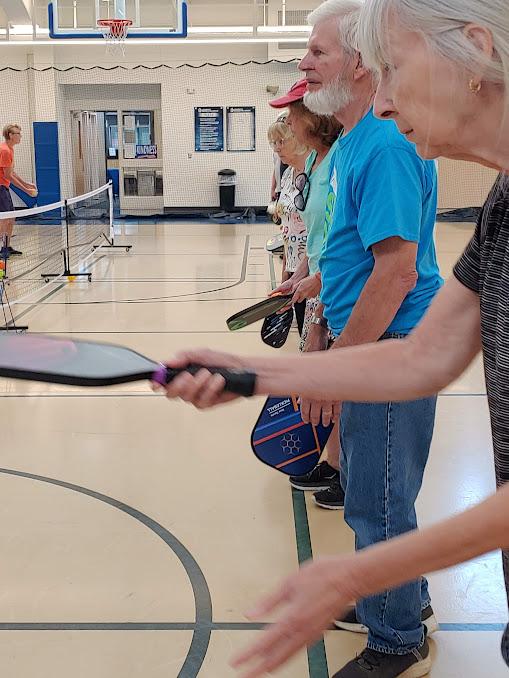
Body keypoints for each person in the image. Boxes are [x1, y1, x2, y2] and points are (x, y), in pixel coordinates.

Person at [155, 0, 509, 675]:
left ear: (474, 54)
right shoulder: (500, 203)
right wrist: (246, 372)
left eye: (395, 69)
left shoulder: (385, 149)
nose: (383, 103)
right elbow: (421, 357)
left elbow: (397, 278)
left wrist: (358, 574)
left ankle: (396, 635)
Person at [268, 79, 344, 500]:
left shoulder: (336, 164)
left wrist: (317, 313)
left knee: (333, 380)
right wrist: (298, 271)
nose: (289, 124)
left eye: (294, 114)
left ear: (313, 118)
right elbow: (316, 237)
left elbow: (338, 242)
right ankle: (333, 463)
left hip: (334, 288)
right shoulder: (315, 162)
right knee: (325, 379)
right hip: (316, 280)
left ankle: (341, 469)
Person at [267, 119, 310, 336]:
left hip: (314, 272)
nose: (276, 147)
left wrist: (303, 273)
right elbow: (288, 233)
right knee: (303, 334)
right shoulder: (286, 175)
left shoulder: (314, 174)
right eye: (273, 142)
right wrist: (287, 276)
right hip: (294, 269)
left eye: (281, 141)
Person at [0, 124, 37, 258]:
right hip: (0, 187)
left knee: (11, 217)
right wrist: (26, 190)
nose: (20, 136)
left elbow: (11, 172)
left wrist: (26, 183)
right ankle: (1, 248)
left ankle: (6, 247)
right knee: (4, 218)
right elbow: (7, 175)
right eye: (18, 134)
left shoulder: (10, 149)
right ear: (10, 135)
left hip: (4, 186)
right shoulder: (5, 150)